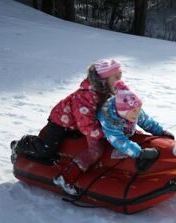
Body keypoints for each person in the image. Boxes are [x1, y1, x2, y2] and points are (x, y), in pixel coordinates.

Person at [11, 58, 123, 195]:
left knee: (89, 147)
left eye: (120, 77)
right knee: (47, 149)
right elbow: (86, 124)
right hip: (60, 122)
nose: (120, 81)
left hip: (78, 124)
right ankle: (21, 144)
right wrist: (104, 134)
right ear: (104, 80)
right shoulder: (86, 96)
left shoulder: (107, 92)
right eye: (116, 77)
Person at [97, 80, 174, 166]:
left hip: (126, 129)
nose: (137, 113)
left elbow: (146, 121)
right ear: (123, 112)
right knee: (102, 151)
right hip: (105, 136)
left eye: (139, 109)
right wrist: (139, 153)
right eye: (134, 111)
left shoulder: (134, 110)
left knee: (138, 135)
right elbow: (118, 140)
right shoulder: (110, 121)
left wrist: (161, 132)